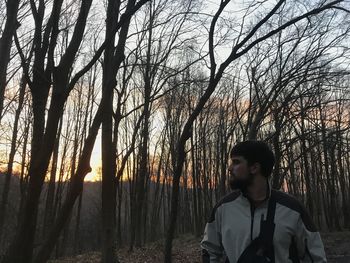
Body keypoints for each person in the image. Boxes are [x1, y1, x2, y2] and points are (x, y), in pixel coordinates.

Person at [200, 140, 327, 262]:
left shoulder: (292, 209)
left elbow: (314, 256)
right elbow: (209, 250)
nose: (230, 168)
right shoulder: (223, 208)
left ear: (254, 168)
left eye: (236, 162)